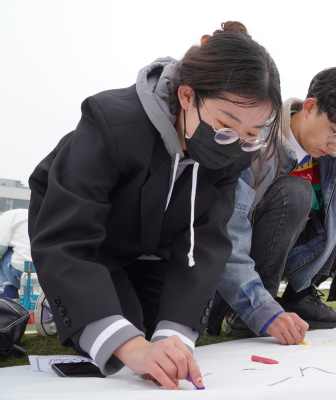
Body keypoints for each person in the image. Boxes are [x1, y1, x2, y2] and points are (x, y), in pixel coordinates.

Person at [28, 21, 281, 390]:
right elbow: (68, 235)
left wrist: (173, 336)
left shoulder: (234, 153)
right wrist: (131, 347)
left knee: (163, 338)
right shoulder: (110, 120)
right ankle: (58, 298)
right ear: (187, 96)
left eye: (251, 134)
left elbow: (206, 241)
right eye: (225, 126)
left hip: (152, 247)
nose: (234, 144)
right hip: (91, 243)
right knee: (122, 341)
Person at [207, 67, 336, 345]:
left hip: (290, 251)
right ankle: (246, 311)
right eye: (335, 133)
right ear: (310, 107)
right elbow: (229, 230)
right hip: (237, 267)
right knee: (295, 192)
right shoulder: (256, 141)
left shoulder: (332, 151)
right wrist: (260, 307)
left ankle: (300, 296)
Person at [0, 209, 31, 299]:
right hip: (44, 278)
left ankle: (8, 292)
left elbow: (1, 246)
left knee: (5, 252)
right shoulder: (36, 216)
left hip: (20, 274)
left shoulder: (5, 218)